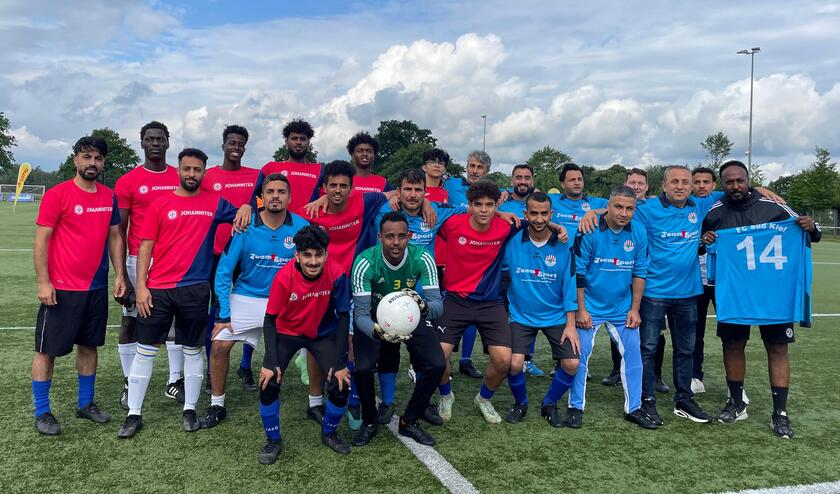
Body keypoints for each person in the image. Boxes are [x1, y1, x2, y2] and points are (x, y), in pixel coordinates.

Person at [117, 148, 238, 438]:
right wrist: (142, 286)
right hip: (158, 289)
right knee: (145, 351)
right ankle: (134, 414)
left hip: (195, 291)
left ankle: (190, 409)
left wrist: (246, 207)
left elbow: (244, 215)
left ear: (204, 172)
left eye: (197, 170)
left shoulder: (215, 202)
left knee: (192, 350)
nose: (192, 174)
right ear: (179, 170)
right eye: (187, 169)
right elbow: (145, 246)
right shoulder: (160, 203)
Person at [701, 160, 820, 438]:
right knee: (732, 345)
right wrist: (704, 240)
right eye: (729, 182)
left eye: (740, 180)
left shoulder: (773, 205)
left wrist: (811, 226)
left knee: (777, 348)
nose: (735, 186)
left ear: (748, 179)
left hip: (773, 294)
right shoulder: (715, 212)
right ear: (722, 184)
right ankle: (736, 402)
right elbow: (702, 246)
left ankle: (780, 413)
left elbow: (811, 235)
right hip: (736, 294)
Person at [434, 181, 567, 423]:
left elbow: (539, 223)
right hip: (456, 300)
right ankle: (446, 395)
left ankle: (484, 399)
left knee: (504, 360)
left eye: (489, 205)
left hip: (490, 303)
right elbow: (426, 211)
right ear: (469, 206)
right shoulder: (453, 223)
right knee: (436, 357)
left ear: (497, 205)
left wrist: (558, 228)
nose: (483, 210)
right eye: (478, 205)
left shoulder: (507, 226)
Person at [31, 136, 127, 435]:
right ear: (75, 159)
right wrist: (44, 282)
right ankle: (42, 411)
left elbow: (114, 237)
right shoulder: (58, 195)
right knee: (47, 351)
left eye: (97, 158)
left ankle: (86, 404)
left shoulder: (108, 196)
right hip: (61, 289)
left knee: (89, 345)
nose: (92, 163)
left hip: (95, 288)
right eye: (86, 157)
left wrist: (120, 275)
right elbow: (41, 240)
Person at [200, 174, 309, 429]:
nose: (275, 196)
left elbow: (311, 267)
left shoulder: (302, 227)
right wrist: (224, 314)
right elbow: (225, 271)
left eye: (281, 192)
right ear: (262, 197)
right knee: (219, 344)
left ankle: (316, 403)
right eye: (270, 191)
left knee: (315, 342)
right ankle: (217, 403)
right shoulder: (245, 226)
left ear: (289, 198)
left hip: (285, 301)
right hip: (247, 296)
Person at [257, 226, 352, 464]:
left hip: (322, 334)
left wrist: (340, 362)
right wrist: (270, 362)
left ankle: (329, 432)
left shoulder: (338, 274)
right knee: (268, 381)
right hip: (287, 333)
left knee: (341, 383)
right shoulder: (283, 277)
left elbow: (343, 317)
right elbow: (269, 319)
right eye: (306, 255)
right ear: (296, 256)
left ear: (326, 254)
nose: (313, 261)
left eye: (318, 254)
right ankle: (273, 441)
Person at [350, 213, 446, 446]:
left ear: (409, 237)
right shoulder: (365, 262)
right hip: (374, 319)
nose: (396, 242)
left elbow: (437, 306)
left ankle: (410, 420)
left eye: (401, 236)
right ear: (380, 237)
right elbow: (360, 314)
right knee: (362, 368)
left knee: (437, 364)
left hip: (412, 316)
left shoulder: (422, 257)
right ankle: (370, 421)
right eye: (390, 236)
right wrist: (377, 331)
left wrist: (422, 307)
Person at [569, 185, 657, 430]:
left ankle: (634, 409)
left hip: (622, 308)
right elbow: (578, 272)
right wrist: (582, 310)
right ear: (607, 206)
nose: (623, 213)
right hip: (591, 308)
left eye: (629, 208)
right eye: (618, 206)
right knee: (580, 358)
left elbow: (640, 272)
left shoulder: (638, 231)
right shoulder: (590, 228)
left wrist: (635, 308)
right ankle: (575, 407)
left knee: (634, 358)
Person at [114, 121, 183, 409]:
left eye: (160, 139)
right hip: (136, 260)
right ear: (142, 143)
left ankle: (175, 381)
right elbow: (118, 230)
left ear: (168, 143)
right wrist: (121, 274)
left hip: (174, 260)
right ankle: (130, 381)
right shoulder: (128, 181)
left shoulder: (181, 176)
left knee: (178, 321)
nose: (155, 143)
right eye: (150, 139)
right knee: (131, 320)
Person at [502, 192, 580, 427]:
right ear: (525, 214)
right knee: (514, 364)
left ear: (551, 214)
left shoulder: (564, 242)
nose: (539, 218)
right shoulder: (512, 239)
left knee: (572, 364)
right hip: (521, 315)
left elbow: (570, 284)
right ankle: (521, 403)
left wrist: (570, 324)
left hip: (555, 315)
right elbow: (481, 213)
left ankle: (549, 403)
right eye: (533, 213)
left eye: (544, 213)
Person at [201, 124, 260, 391]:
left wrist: (250, 205)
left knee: (253, 306)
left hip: (249, 254)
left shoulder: (256, 175)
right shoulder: (208, 176)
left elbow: (262, 206)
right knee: (215, 312)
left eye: (240, 144)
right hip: (215, 253)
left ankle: (245, 366)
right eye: (231, 143)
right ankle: (212, 369)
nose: (236, 148)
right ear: (223, 145)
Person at [604, 167, 670, 394]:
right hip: (623, 275)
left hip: (652, 279)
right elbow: (601, 210)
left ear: (647, 186)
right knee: (621, 325)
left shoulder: (655, 205)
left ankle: (657, 375)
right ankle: (617, 369)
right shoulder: (618, 207)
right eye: (632, 182)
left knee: (654, 330)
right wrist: (591, 213)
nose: (637, 186)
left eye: (641, 183)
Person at [441, 150, 495, 380]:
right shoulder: (451, 184)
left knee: (472, 308)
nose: (474, 171)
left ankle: (466, 359)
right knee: (447, 309)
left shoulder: (495, 193)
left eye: (479, 167)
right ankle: (446, 359)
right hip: (449, 252)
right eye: (471, 165)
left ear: (487, 171)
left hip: (479, 258)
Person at [498, 164, 546, 377]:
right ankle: (506, 358)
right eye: (519, 177)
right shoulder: (502, 202)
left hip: (528, 271)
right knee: (504, 318)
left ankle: (528, 360)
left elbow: (545, 223)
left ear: (532, 180)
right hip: (501, 270)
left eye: (527, 177)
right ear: (512, 180)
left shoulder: (536, 204)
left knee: (528, 314)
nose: (523, 181)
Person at [689, 166, 717, 395]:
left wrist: (763, 189)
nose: (701, 186)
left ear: (714, 185)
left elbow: (751, 191)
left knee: (731, 330)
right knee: (694, 330)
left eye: (705, 182)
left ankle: (734, 383)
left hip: (721, 279)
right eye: (696, 182)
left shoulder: (722, 199)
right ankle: (695, 375)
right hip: (694, 280)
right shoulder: (683, 202)